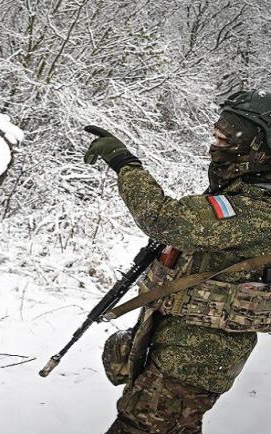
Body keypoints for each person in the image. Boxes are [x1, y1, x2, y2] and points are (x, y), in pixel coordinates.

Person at [83, 89, 271, 434]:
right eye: (218, 131)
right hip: (180, 347)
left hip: (194, 360)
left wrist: (126, 163)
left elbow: (166, 219)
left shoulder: (257, 210)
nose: (215, 140)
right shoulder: (241, 196)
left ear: (259, 147)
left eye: (227, 135)